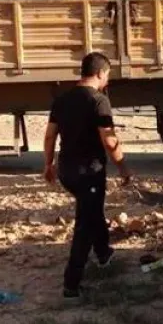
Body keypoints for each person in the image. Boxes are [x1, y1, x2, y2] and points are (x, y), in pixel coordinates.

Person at [43, 52, 132, 302]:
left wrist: (48, 164)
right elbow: (109, 140)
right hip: (88, 173)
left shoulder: (61, 100)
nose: (107, 80)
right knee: (85, 223)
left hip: (66, 172)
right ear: (101, 73)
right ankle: (71, 285)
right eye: (108, 75)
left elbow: (50, 135)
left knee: (93, 210)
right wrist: (123, 167)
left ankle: (104, 254)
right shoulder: (99, 101)